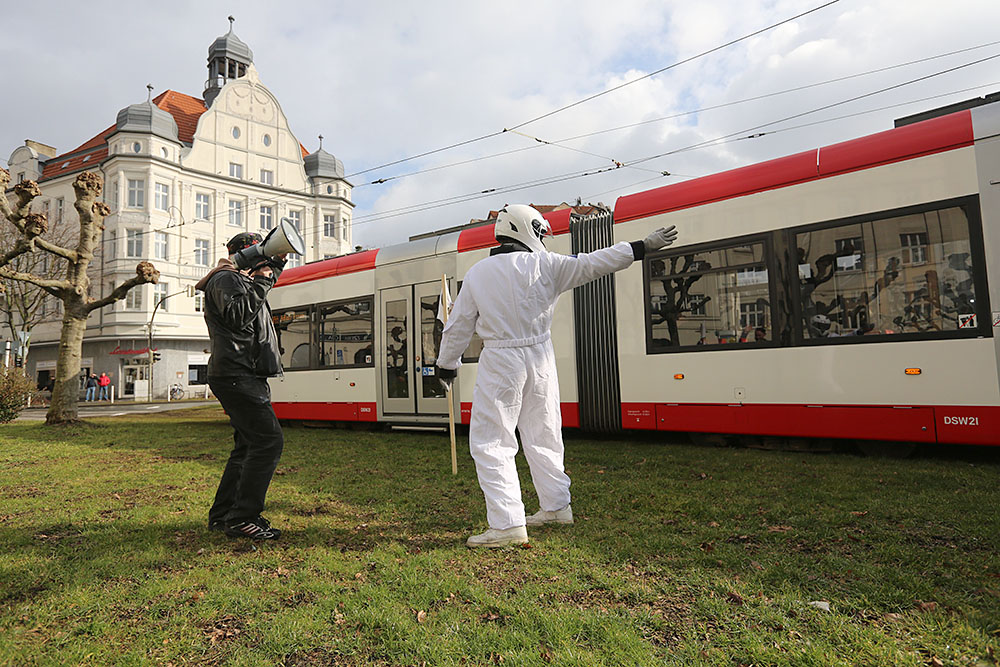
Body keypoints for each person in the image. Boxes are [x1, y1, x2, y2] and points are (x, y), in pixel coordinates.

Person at [435, 204, 679, 547]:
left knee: (492, 440)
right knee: (544, 432)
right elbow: (594, 263)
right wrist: (640, 247)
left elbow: (459, 325)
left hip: (501, 359)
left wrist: (447, 364)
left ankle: (506, 524)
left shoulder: (479, 273)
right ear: (528, 230)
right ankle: (556, 506)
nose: (543, 238)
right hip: (541, 357)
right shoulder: (548, 264)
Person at [194, 232, 286, 541]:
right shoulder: (225, 279)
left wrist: (274, 270)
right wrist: (263, 280)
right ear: (244, 255)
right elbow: (237, 317)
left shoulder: (240, 281)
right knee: (268, 442)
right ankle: (243, 517)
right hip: (237, 372)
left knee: (247, 447)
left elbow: (247, 311)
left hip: (244, 372)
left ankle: (223, 516)